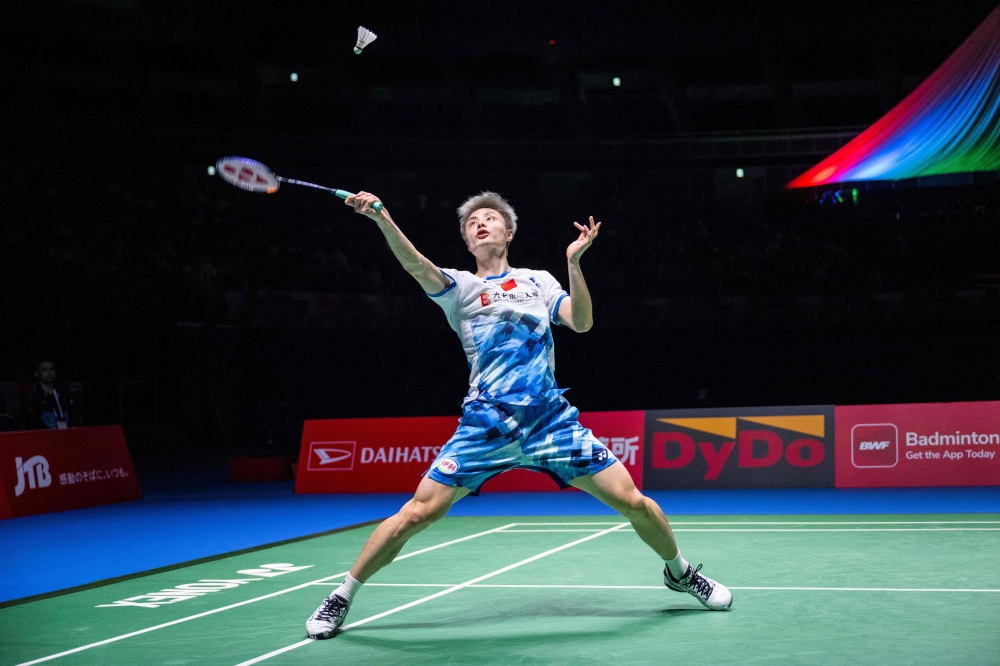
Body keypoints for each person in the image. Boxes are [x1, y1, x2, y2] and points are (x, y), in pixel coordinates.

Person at [306, 191, 732, 639]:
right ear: (467, 241)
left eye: (491, 218)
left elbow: (581, 322)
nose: (481, 223)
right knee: (417, 513)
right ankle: (342, 595)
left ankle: (680, 573)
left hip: (549, 420)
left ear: (508, 233)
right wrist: (383, 218)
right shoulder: (459, 289)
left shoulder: (538, 281)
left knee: (633, 502)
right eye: (473, 222)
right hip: (486, 423)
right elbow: (416, 265)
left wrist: (575, 262)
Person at [21, 360, 78, 430]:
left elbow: (74, 416)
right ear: (36, 374)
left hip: (66, 435)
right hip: (44, 436)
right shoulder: (32, 396)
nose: (49, 373)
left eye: (51, 369)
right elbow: (31, 422)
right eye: (44, 370)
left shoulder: (64, 393)